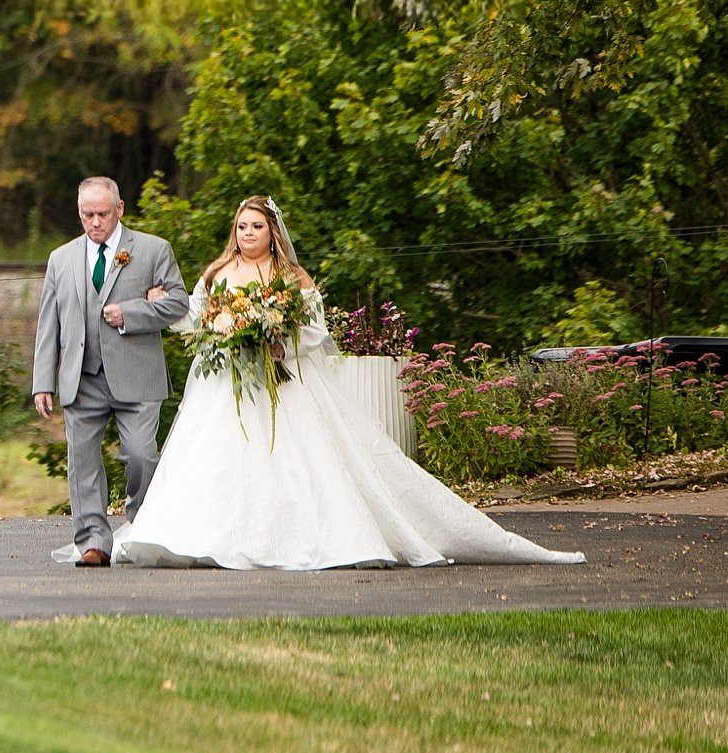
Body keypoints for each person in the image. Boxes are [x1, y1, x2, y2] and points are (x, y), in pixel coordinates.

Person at [113, 196, 583, 569]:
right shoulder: (218, 273)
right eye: (241, 226)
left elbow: (313, 330)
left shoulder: (291, 276)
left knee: (296, 460)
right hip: (229, 385)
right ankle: (210, 537)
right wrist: (171, 307)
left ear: (272, 232)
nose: (248, 233)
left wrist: (279, 345)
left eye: (256, 226)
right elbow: (196, 318)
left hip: (283, 381)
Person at [31, 177, 190, 567]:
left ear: (119, 209)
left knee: (141, 455)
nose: (95, 222)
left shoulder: (153, 249)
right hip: (81, 377)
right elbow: (49, 324)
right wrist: (42, 382)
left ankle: (142, 525)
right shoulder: (61, 259)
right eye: (87, 214)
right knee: (82, 461)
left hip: (137, 375)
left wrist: (131, 313)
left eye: (102, 214)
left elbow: (179, 304)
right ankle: (93, 542)